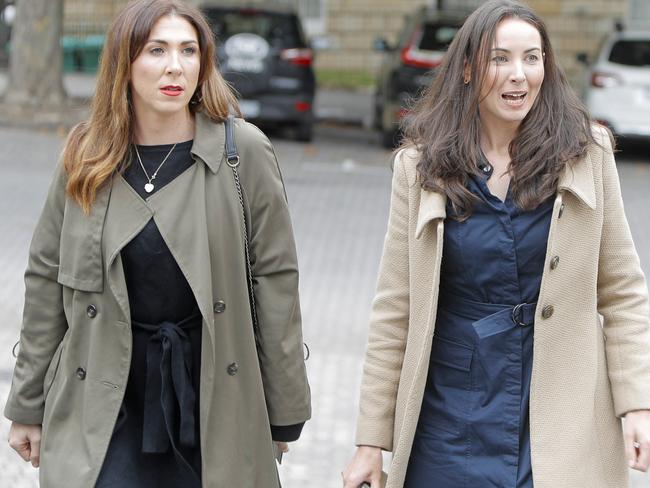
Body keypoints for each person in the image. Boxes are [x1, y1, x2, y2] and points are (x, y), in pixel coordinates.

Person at [343, 1, 650, 487]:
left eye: (532, 58)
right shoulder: (420, 167)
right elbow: (395, 308)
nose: (519, 75)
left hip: (556, 407)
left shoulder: (586, 153)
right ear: (467, 68)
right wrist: (369, 443)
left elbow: (622, 290)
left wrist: (638, 403)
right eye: (499, 58)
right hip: (449, 407)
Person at [4, 1, 310, 486]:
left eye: (189, 50)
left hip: (211, 390)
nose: (175, 66)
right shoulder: (87, 155)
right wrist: (27, 403)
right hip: (104, 395)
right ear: (124, 64)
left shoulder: (241, 153)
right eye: (157, 50)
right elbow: (46, 277)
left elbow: (275, 280)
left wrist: (283, 406)